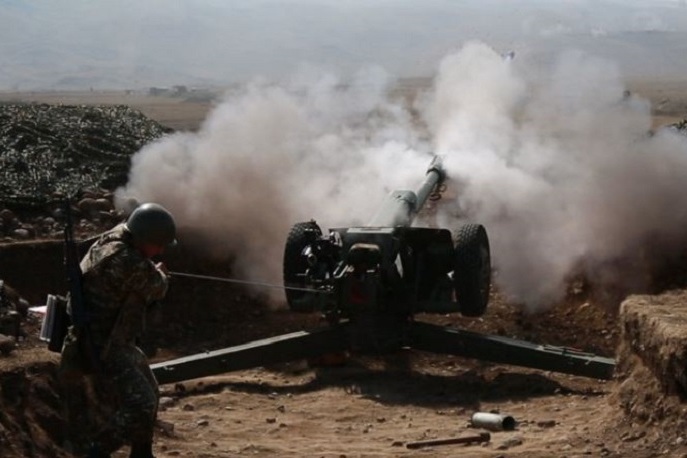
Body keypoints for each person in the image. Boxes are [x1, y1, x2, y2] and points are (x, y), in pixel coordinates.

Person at [59, 202, 177, 458]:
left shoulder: (112, 238)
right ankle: (96, 451)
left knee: (151, 389)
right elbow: (158, 288)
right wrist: (161, 275)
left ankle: (142, 453)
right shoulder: (128, 261)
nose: (161, 250)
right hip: (104, 344)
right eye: (159, 245)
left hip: (110, 336)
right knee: (141, 404)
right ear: (144, 238)